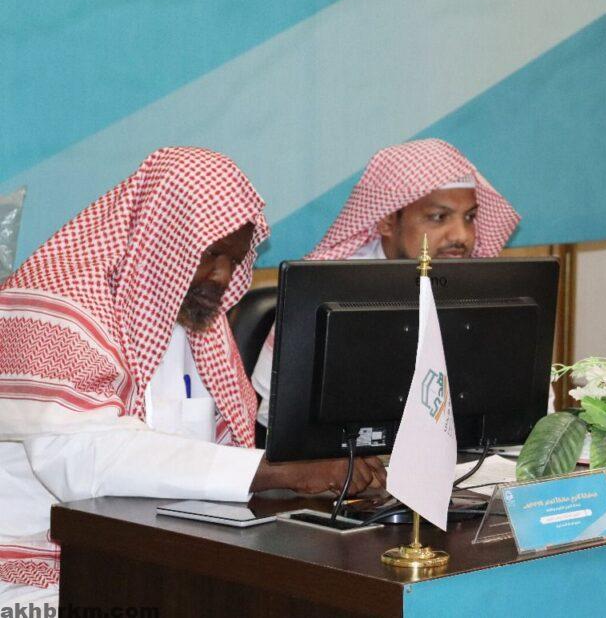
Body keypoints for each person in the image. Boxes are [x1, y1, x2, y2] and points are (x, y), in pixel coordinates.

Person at [0, 148, 385, 609]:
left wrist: (322, 474)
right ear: (161, 238)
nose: (221, 277)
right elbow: (85, 462)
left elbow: (220, 450)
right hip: (36, 566)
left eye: (234, 260)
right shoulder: (54, 306)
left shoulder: (197, 316)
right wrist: (276, 471)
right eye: (209, 255)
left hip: (158, 553)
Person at [251, 138, 521, 424]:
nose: (461, 236)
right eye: (438, 217)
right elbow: (277, 415)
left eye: (469, 217)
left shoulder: (488, 289)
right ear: (387, 221)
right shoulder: (329, 288)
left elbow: (528, 410)